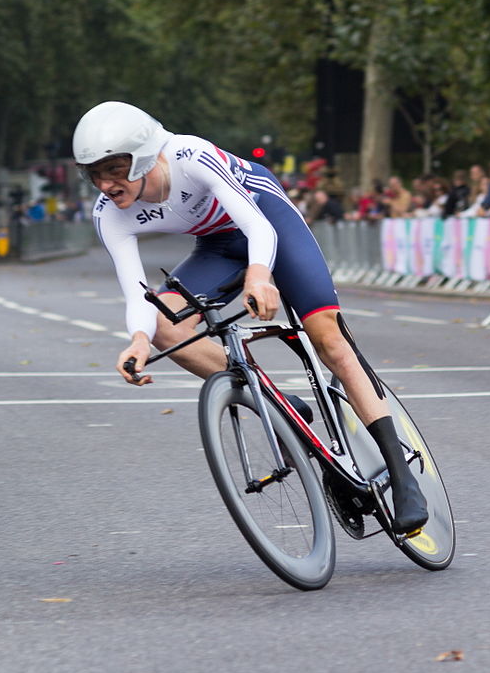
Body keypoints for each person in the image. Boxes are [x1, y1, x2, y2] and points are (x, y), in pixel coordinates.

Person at [73, 101, 428, 535]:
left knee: (328, 340)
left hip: (267, 220)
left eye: (114, 169)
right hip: (219, 246)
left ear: (144, 155)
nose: (105, 184)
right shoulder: (108, 213)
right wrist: (139, 340)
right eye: (94, 173)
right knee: (164, 324)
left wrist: (260, 275)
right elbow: (137, 293)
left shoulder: (190, 156)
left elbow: (259, 228)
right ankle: (280, 405)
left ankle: (403, 476)